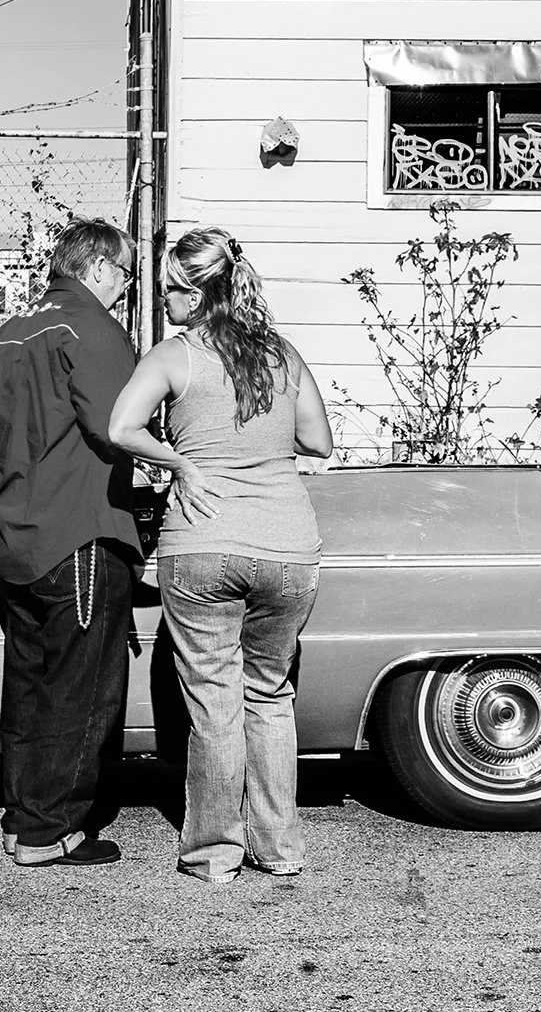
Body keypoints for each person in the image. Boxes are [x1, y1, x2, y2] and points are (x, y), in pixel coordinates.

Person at [109, 226, 333, 884]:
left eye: (171, 291)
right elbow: (317, 440)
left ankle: (213, 852)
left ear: (196, 292)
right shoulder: (282, 354)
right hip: (289, 548)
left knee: (214, 700)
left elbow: (120, 426)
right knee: (269, 694)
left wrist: (178, 458)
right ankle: (280, 846)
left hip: (203, 545)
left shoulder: (173, 356)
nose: (165, 303)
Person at [0, 218, 143, 868]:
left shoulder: (7, 331)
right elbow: (116, 428)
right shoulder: (92, 328)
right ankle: (53, 830)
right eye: (125, 275)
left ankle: (23, 818)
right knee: (85, 685)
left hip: (18, 531)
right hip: (82, 527)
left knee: (29, 685)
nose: (125, 289)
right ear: (98, 267)